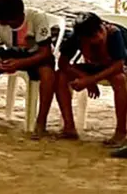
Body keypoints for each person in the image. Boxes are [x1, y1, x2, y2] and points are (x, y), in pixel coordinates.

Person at [0, 0, 55, 136]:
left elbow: (46, 52)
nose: (1, 24)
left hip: (35, 55)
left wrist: (21, 62)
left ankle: (41, 122)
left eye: (5, 22)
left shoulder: (37, 18)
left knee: (48, 74)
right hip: (11, 51)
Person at [54, 12, 127, 149]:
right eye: (93, 37)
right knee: (60, 75)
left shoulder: (114, 33)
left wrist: (89, 80)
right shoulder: (76, 37)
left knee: (119, 79)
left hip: (116, 69)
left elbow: (118, 66)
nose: (99, 37)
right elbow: (63, 63)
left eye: (100, 32)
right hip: (93, 68)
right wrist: (84, 78)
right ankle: (69, 127)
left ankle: (121, 131)